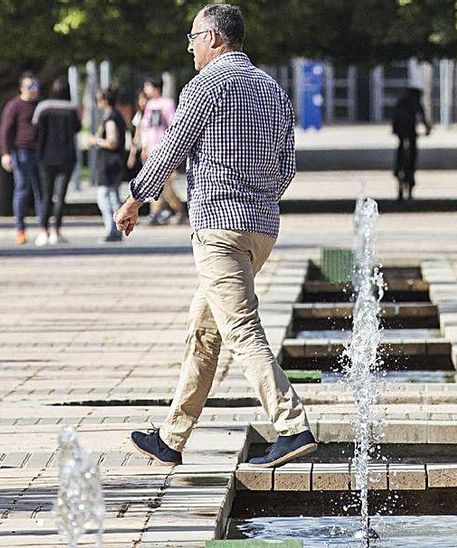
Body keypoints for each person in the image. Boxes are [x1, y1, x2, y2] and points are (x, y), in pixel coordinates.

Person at [116, 4, 313, 468]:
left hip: (220, 228)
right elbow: (288, 165)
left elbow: (173, 147)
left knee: (241, 329)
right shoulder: (270, 87)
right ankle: (172, 437)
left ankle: (292, 425)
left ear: (214, 38)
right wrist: (262, 199)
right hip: (260, 228)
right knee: (205, 330)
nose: (189, 46)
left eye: (193, 37)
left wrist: (136, 198)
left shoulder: (207, 85)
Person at [33, 77, 82, 245]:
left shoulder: (43, 108)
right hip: (67, 157)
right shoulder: (71, 109)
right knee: (60, 196)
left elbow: (37, 132)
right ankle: (56, 231)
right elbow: (77, 128)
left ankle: (42, 230)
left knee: (46, 195)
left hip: (46, 157)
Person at [0, 72, 45, 245]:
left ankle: (44, 228)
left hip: (40, 153)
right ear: (21, 88)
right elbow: (5, 131)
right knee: (22, 190)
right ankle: (20, 229)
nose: (34, 90)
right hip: (21, 152)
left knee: (41, 191)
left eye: (36, 86)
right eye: (30, 87)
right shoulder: (14, 106)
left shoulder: (41, 105)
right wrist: (6, 153)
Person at [137, 78, 189, 225]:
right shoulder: (149, 105)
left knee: (163, 184)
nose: (145, 90)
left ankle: (168, 212)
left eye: (147, 86)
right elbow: (146, 128)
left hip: (163, 150)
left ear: (155, 87)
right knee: (157, 184)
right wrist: (144, 147)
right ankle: (171, 212)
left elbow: (173, 124)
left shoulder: (167, 103)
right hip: (150, 150)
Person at [82, 87, 128, 243]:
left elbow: (112, 141)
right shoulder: (115, 116)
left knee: (105, 197)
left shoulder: (111, 118)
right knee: (112, 196)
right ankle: (115, 228)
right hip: (113, 163)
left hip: (109, 163)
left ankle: (112, 229)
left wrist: (94, 141)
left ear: (104, 101)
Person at [390, 87, 431, 199]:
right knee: (411, 157)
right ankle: (408, 180)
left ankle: (399, 176)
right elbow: (422, 117)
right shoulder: (415, 102)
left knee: (401, 153)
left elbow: (394, 117)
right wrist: (427, 129)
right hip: (409, 132)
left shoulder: (401, 102)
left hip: (402, 132)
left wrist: (395, 130)